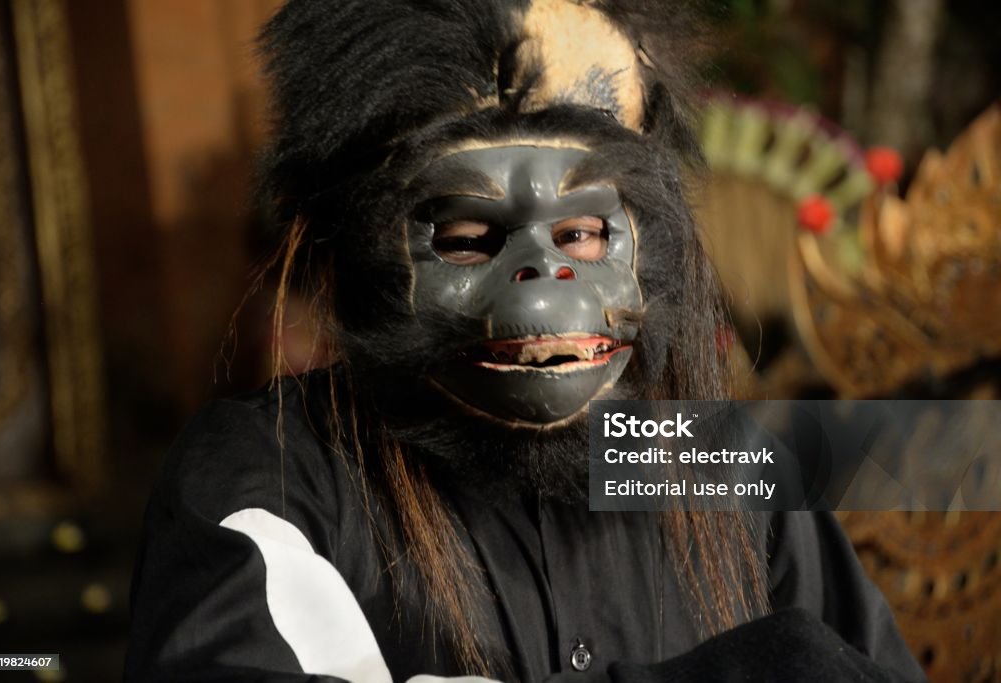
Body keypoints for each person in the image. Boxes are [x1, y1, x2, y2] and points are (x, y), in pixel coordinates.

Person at [125, 1, 925, 681]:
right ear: (366, 255)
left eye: (581, 235)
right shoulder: (267, 474)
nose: (544, 284)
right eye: (470, 238)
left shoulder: (717, 462)